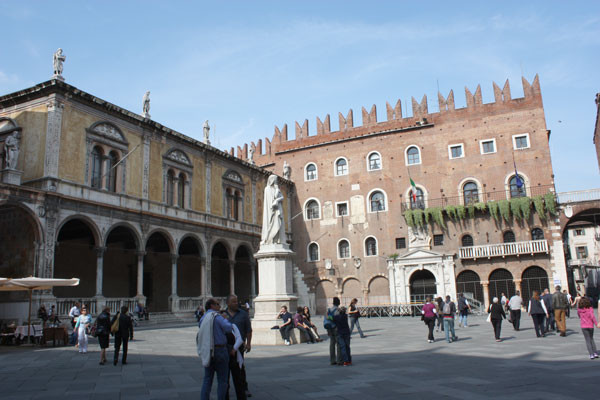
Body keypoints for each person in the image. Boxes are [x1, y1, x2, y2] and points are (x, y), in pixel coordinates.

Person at [199, 298, 233, 400]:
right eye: (217, 304)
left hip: (207, 350)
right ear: (212, 306)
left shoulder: (203, 318)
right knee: (222, 380)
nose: (219, 306)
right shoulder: (217, 317)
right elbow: (228, 328)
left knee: (207, 379)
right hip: (220, 350)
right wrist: (225, 319)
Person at [225, 295, 253, 399]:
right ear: (228, 303)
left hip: (239, 346)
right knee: (225, 370)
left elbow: (248, 330)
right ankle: (225, 392)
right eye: (233, 302)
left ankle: (243, 389)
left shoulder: (243, 314)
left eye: (236, 301)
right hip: (226, 348)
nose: (236, 303)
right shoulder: (223, 315)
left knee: (240, 369)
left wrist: (249, 343)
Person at [221, 311, 246, 400]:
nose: (225, 319)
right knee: (225, 381)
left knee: (238, 379)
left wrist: (234, 349)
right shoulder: (219, 328)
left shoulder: (233, 326)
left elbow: (239, 338)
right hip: (224, 355)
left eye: (226, 317)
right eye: (222, 318)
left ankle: (241, 397)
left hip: (233, 354)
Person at [325, 297, 342, 365]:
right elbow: (337, 319)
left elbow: (327, 318)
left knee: (332, 344)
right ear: (338, 303)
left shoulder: (329, 310)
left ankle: (332, 360)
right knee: (338, 344)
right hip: (336, 328)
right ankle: (339, 360)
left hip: (330, 328)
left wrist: (328, 330)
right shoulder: (337, 310)